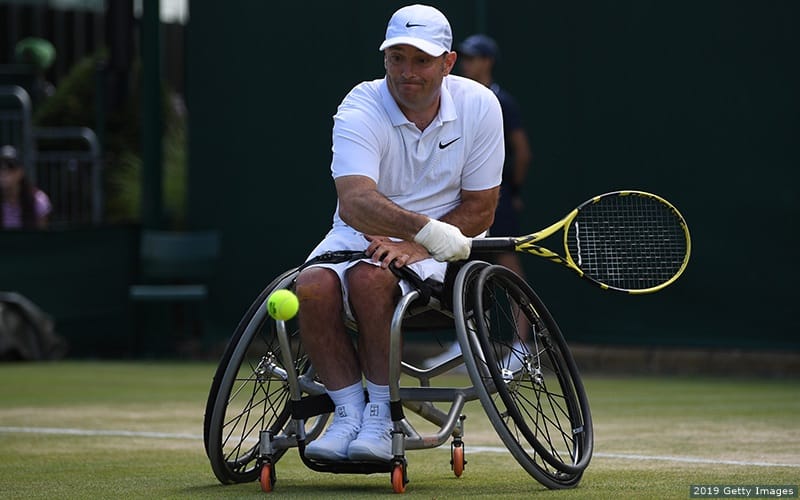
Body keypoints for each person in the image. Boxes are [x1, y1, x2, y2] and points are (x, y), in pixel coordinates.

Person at [295, 4, 504, 462]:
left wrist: (419, 243)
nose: (407, 72)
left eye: (421, 60)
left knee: (370, 280)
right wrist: (422, 230)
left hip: (443, 248)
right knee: (309, 287)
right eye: (397, 59)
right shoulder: (360, 104)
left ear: (448, 63)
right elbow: (355, 202)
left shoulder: (480, 106)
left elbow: (481, 206)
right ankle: (349, 413)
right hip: (358, 232)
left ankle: (379, 415)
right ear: (385, 59)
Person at [422, 33, 533, 371]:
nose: (468, 64)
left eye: (474, 58)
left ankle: (521, 348)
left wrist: (512, 191)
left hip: (494, 198)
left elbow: (523, 151)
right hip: (462, 199)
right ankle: (468, 345)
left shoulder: (501, 101)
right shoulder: (457, 100)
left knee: (507, 269)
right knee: (462, 269)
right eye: (465, 57)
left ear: (487, 62)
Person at [0, 145, 52, 229]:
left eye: (10, 167)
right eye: (1, 168)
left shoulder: (38, 201)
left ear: (20, 172)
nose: (4, 173)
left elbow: (42, 238)